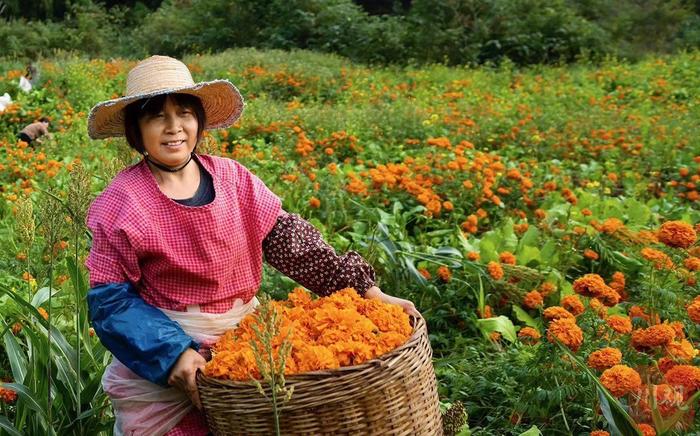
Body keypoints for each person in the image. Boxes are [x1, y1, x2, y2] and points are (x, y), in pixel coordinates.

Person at [85, 55, 419, 436]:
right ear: (136, 129)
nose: (174, 127)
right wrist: (173, 354)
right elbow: (111, 301)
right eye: (156, 116)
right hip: (164, 356)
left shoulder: (234, 179)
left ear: (199, 120)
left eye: (184, 113)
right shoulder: (122, 201)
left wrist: (367, 291)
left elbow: (292, 242)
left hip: (243, 347)